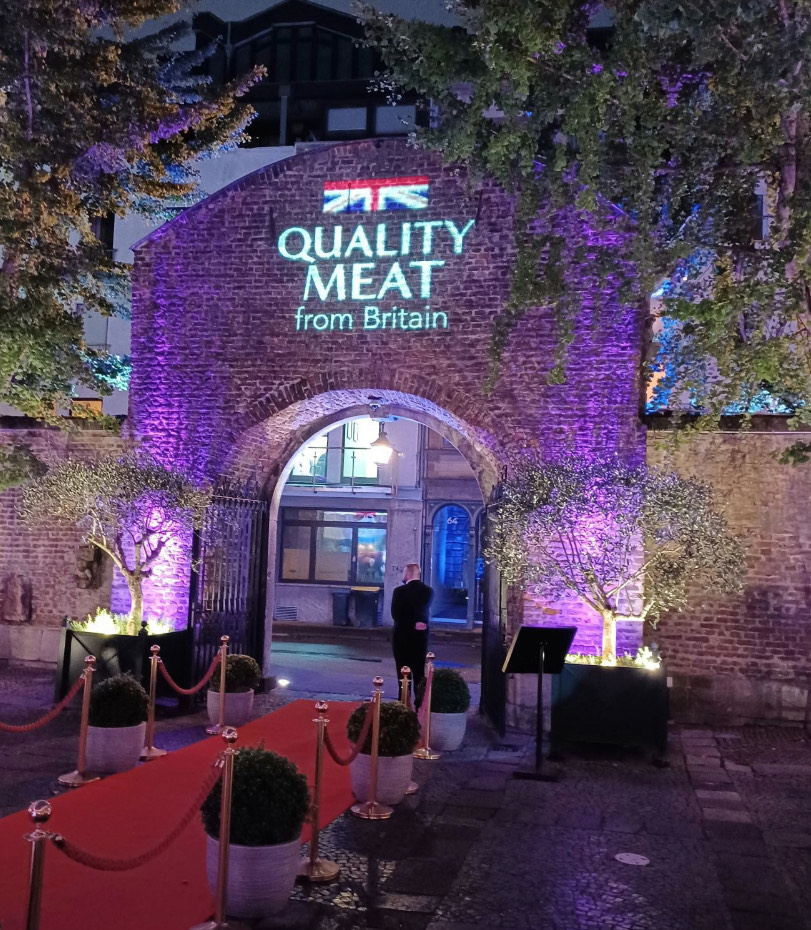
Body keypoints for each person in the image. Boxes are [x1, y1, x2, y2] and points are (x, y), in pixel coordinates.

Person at [390, 562, 433, 708]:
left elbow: (396, 615)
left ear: (408, 573)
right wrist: (419, 623)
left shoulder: (399, 591)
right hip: (420, 638)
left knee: (402, 672)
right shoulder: (428, 591)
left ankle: (403, 703)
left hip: (402, 638)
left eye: (403, 572)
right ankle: (420, 704)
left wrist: (410, 624)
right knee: (419, 671)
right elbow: (424, 611)